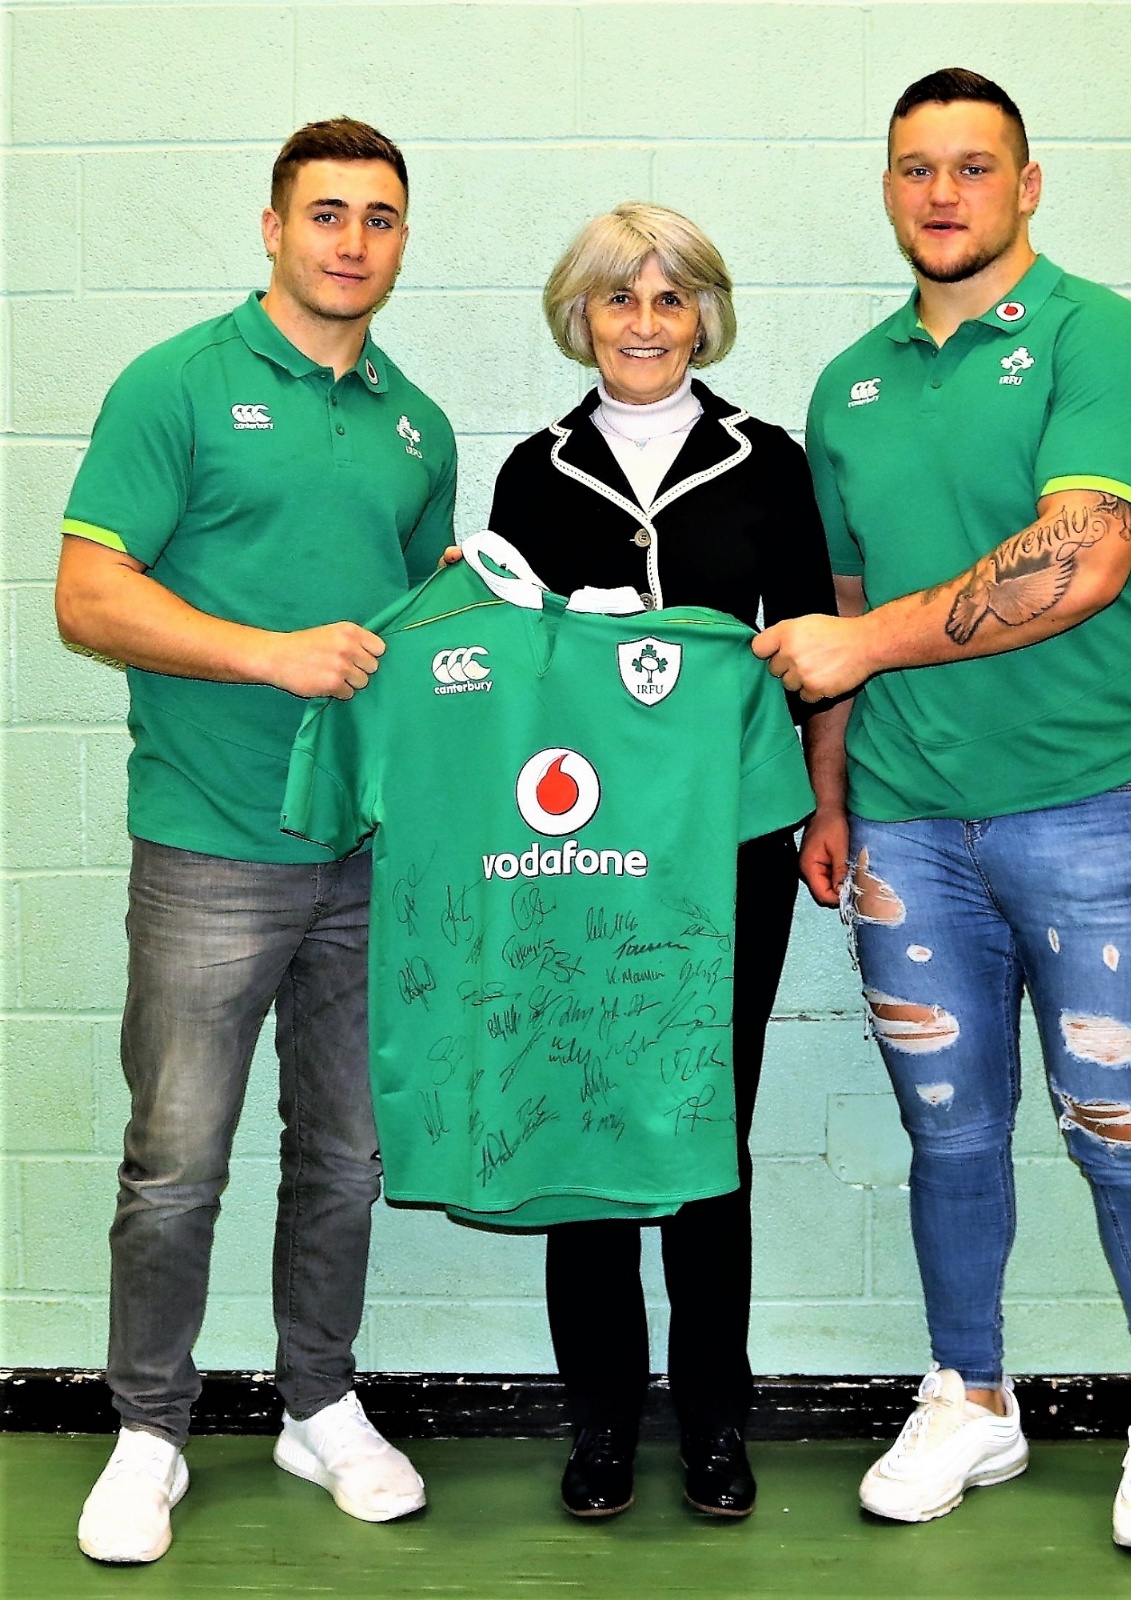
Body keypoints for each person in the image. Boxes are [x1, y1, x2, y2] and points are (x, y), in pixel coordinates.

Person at [754, 70, 1131, 1554]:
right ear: (889, 189)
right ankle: (971, 1397)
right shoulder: (850, 383)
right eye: (915, 169)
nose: (942, 193)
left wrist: (861, 645)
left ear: (1028, 184)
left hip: (1092, 811)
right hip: (904, 827)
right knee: (949, 1133)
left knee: (1122, 1123)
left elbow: (1079, 556)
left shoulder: (1103, 339)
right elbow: (841, 602)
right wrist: (829, 795)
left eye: (972, 166)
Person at [54, 117, 456, 1564]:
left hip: (367, 854)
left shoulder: (419, 428)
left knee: (346, 1155)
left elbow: (413, 641)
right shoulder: (176, 384)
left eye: (380, 217)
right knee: (175, 1162)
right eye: (327, 213)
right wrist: (269, 655)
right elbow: (87, 596)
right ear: (274, 228)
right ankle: (148, 1431)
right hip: (209, 847)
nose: (353, 240)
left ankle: (318, 1404)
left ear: (402, 242)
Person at [485, 202, 836, 1519]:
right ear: (581, 316)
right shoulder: (534, 472)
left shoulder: (769, 461)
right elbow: (510, 680)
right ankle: (599, 1425)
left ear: (706, 316)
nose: (644, 325)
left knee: (705, 1127)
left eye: (670, 299)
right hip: (579, 854)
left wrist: (826, 805)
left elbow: (817, 653)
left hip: (730, 844)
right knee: (585, 1114)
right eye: (619, 299)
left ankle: (715, 1424)